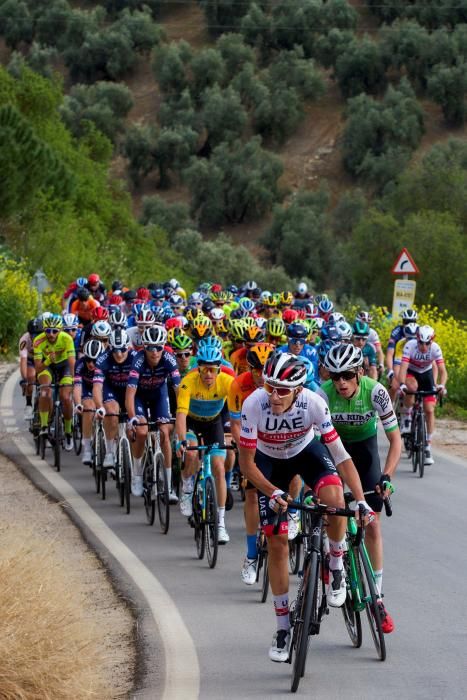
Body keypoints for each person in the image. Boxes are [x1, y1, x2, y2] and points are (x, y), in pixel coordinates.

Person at [238, 352, 372, 662]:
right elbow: (246, 464)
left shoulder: (313, 403)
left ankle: (336, 565)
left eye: (283, 390)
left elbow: (340, 456)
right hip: (268, 463)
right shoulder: (253, 405)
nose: (274, 395)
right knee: (277, 542)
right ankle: (283, 628)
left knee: (336, 498)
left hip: (304, 452)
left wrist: (361, 500)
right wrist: (271, 492)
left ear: (299, 389)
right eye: (270, 386)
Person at [318, 343, 401, 633]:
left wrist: (387, 476)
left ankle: (377, 597)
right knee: (334, 508)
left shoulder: (375, 391)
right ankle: (335, 561)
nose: (340, 382)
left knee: (373, 525)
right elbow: (314, 446)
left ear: (360, 372)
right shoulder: (323, 393)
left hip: (365, 453)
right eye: (335, 375)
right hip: (332, 451)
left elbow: (395, 441)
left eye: (347, 375)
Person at [175, 344, 234, 543]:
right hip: (191, 422)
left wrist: (238, 438)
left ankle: (220, 524)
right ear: (198, 368)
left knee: (218, 467)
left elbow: (236, 414)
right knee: (191, 454)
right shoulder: (187, 382)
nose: (208, 373)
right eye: (204, 368)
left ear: (219, 368)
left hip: (214, 423)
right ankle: (187, 486)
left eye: (213, 369)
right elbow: (181, 415)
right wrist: (182, 441)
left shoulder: (227, 382)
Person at [228, 343, 275, 584]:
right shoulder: (238, 385)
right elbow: (235, 426)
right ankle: (251, 555)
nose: (261, 374)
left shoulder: (278, 385)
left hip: (277, 441)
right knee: (252, 495)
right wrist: (246, 453)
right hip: (251, 442)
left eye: (265, 368)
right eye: (255, 369)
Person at [125, 326, 180, 499]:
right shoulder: (138, 360)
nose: (154, 352)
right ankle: (137, 473)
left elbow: (179, 391)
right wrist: (132, 417)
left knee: (165, 432)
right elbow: (130, 394)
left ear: (164, 347)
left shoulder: (169, 359)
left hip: (159, 394)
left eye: (159, 347)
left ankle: (168, 484)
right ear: (144, 347)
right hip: (140, 396)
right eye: (150, 347)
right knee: (141, 431)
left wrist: (181, 416)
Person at [398, 325, 447, 465]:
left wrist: (441, 385)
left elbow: (443, 371)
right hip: (412, 373)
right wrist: (402, 384)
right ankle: (407, 417)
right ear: (417, 339)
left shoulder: (436, 348)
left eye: (427, 343)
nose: (424, 346)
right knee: (411, 387)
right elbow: (403, 368)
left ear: (432, 341)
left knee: (430, 409)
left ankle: (427, 446)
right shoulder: (410, 345)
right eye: (421, 342)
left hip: (426, 374)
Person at [93, 328, 138, 470]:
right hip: (110, 389)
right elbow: (97, 387)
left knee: (136, 428)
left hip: (130, 390)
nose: (119, 354)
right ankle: (110, 452)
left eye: (123, 350)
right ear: (110, 348)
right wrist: (99, 406)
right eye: (115, 350)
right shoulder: (103, 359)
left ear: (129, 347)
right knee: (111, 412)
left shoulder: (136, 357)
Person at [33, 315, 76, 450]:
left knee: (66, 397)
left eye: (54, 331)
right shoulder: (38, 341)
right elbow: (38, 367)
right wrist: (48, 361)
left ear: (60, 330)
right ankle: (44, 426)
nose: (51, 334)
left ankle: (68, 432)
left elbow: (71, 361)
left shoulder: (66, 338)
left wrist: (75, 379)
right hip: (47, 367)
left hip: (64, 367)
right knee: (45, 391)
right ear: (44, 330)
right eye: (48, 331)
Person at [74, 340, 104, 465]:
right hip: (87, 388)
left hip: (103, 388)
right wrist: (78, 404)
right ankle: (87, 448)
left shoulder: (105, 362)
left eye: (95, 361)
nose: (91, 364)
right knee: (89, 408)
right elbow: (77, 387)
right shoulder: (80, 364)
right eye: (88, 360)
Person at [19, 318, 41, 419]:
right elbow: (23, 361)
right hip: (30, 360)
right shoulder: (24, 340)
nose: (34, 336)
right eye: (32, 334)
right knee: (30, 376)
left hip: (42, 359)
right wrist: (24, 379)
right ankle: (28, 405)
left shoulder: (46, 337)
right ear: (29, 333)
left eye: (37, 334)